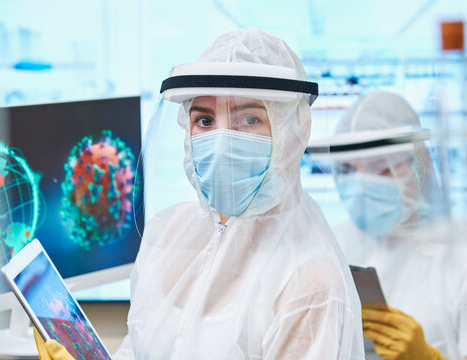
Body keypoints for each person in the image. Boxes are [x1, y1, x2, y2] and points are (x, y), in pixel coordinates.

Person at [34, 28, 365, 359]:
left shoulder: (309, 284)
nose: (221, 143)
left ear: (291, 131)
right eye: (205, 120)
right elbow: (138, 348)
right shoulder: (169, 232)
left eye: (249, 119)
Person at [313, 91, 467, 360]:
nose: (361, 184)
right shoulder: (331, 246)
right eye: (347, 170)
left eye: (381, 167)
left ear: (420, 165)